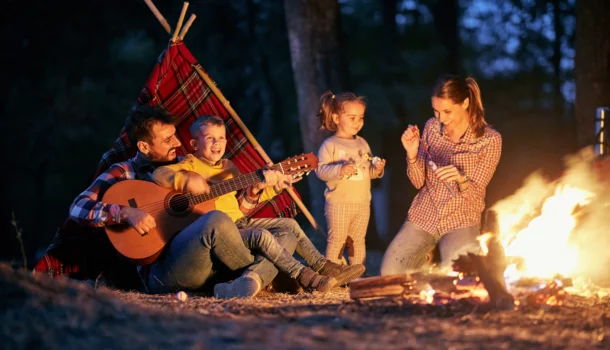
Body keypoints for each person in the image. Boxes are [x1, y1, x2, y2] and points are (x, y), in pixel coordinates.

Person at [41, 105, 337, 296]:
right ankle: (270, 274)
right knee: (218, 221)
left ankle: (253, 281)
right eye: (167, 139)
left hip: (209, 262)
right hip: (164, 273)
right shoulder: (124, 171)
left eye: (176, 136)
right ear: (144, 146)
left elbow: (228, 210)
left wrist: (257, 188)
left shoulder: (188, 163)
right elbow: (78, 207)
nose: (178, 143)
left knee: (282, 229)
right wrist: (125, 213)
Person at [151, 114, 366, 298]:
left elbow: (242, 208)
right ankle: (304, 276)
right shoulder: (189, 164)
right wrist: (184, 180)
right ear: (195, 144)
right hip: (220, 231)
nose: (217, 143)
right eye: (210, 139)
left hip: (239, 221)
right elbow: (159, 174)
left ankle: (322, 265)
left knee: (289, 225)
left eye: (221, 138)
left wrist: (268, 187)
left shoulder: (229, 167)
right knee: (264, 236)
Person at [380, 75, 502, 275]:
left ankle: (433, 261)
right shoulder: (431, 128)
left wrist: (461, 179)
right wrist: (412, 154)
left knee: (460, 277)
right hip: (425, 214)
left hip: (461, 218)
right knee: (390, 273)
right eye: (436, 111)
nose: (441, 118)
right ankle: (424, 259)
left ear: (465, 103)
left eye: (447, 111)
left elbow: (475, 194)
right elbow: (418, 182)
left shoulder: (490, 140)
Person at [314, 91, 386, 266]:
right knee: (337, 240)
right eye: (352, 118)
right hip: (339, 203)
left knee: (358, 240)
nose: (358, 122)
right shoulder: (330, 145)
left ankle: (357, 273)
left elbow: (367, 171)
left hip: (362, 203)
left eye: (360, 118)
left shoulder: (362, 143)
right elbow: (320, 170)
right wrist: (340, 169)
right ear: (337, 118)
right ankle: (332, 273)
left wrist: (377, 170)